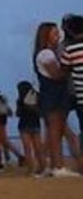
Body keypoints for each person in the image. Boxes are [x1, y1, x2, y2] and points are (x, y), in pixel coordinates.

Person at [37, 21, 83, 177]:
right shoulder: (46, 54)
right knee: (55, 132)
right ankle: (57, 165)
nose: (58, 36)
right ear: (46, 36)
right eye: (55, 33)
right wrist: (71, 65)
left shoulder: (51, 53)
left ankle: (52, 166)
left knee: (56, 131)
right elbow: (57, 74)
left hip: (53, 95)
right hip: (53, 95)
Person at [16, 81, 45, 176]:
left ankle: (32, 169)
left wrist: (28, 106)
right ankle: (41, 167)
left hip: (24, 125)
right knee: (37, 148)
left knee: (28, 148)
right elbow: (41, 113)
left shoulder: (21, 99)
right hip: (34, 125)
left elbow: (18, 113)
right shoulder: (37, 97)